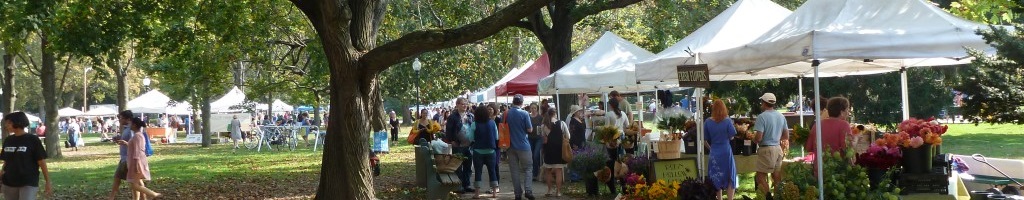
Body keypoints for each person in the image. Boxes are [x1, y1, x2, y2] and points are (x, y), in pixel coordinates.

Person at [0, 112, 52, 199]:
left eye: (9, 122)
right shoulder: (8, 140)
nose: (6, 125)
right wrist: (1, 175)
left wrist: (48, 182)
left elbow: (41, 161)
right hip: (9, 181)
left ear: (18, 122)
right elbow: (6, 161)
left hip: (28, 181)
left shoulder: (32, 140)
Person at [753, 93, 789, 196]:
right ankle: (778, 197)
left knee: (760, 177)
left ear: (764, 103)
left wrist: (754, 140)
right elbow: (786, 136)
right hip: (778, 149)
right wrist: (775, 138)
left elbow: (759, 137)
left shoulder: (762, 117)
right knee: (777, 176)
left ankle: (768, 197)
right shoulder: (781, 116)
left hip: (766, 149)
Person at [119, 117, 160, 199]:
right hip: (135, 161)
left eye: (131, 124)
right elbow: (135, 147)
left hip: (136, 162)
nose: (129, 125)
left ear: (134, 125)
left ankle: (154, 194)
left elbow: (138, 151)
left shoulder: (137, 136)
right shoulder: (137, 135)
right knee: (135, 183)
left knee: (134, 185)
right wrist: (126, 143)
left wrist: (137, 165)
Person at [705, 100, 738, 200]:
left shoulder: (708, 122)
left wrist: (710, 148)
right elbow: (732, 136)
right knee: (729, 175)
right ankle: (730, 198)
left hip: (714, 151)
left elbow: (704, 139)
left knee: (716, 176)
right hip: (726, 151)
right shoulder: (727, 121)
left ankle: (719, 198)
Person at [805, 97, 852, 167]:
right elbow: (847, 150)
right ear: (842, 112)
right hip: (838, 169)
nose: (848, 113)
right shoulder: (844, 125)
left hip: (820, 169)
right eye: (847, 110)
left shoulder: (817, 125)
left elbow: (808, 147)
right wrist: (856, 140)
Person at [506, 94, 535, 200]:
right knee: (528, 168)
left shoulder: (506, 113)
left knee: (514, 170)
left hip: (510, 146)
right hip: (523, 145)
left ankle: (517, 194)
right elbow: (529, 129)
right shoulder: (525, 113)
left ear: (513, 102)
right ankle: (528, 190)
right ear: (522, 103)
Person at [445, 98, 475, 194]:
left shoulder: (470, 116)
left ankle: (467, 185)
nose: (465, 106)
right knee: (458, 166)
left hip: (469, 145)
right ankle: (459, 186)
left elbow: (473, 129)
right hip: (458, 145)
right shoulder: (452, 117)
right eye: (462, 104)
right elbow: (448, 130)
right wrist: (451, 141)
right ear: (457, 105)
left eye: (466, 104)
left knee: (468, 166)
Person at [541, 107, 569, 197]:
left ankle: (549, 190)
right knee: (558, 171)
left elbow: (544, 138)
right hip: (559, 149)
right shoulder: (562, 123)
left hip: (549, 149)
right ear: (555, 114)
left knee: (548, 170)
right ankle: (558, 191)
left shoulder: (544, 125)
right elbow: (568, 135)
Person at [472, 106, 499, 198]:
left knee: (478, 172)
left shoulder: (474, 124)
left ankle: (477, 193)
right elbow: (496, 137)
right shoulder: (492, 123)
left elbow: (470, 138)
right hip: (491, 150)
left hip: (477, 150)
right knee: (492, 171)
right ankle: (494, 192)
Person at [109, 110, 136, 200]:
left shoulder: (131, 129)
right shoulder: (126, 128)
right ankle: (111, 197)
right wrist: (119, 139)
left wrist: (125, 142)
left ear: (128, 119)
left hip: (129, 158)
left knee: (134, 182)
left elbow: (134, 143)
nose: (119, 119)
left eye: (120, 118)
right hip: (124, 158)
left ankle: (152, 195)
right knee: (118, 178)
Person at [605, 98, 628, 194]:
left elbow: (606, 128)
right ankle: (624, 185)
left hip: (612, 139)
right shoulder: (623, 114)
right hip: (621, 137)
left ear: (610, 105)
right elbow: (626, 125)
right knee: (621, 162)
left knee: (611, 162)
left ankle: (612, 187)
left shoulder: (609, 114)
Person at [527, 103, 544, 182]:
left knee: (536, 155)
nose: (533, 110)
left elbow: (543, 127)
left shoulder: (540, 117)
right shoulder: (528, 117)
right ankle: (534, 173)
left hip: (538, 138)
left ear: (537, 109)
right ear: (530, 109)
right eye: (532, 108)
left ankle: (535, 173)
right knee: (530, 155)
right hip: (530, 138)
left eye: (534, 108)